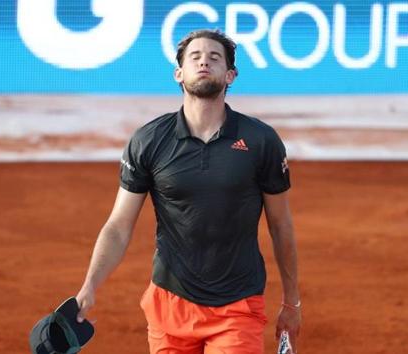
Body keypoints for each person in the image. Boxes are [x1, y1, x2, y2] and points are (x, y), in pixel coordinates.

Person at [75, 29, 301, 353]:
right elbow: (119, 225)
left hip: (237, 307)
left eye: (214, 58)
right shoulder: (149, 141)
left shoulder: (261, 141)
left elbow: (281, 225)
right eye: (195, 57)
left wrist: (292, 303)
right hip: (169, 304)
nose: (204, 63)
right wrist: (89, 285)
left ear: (230, 75)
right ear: (178, 73)